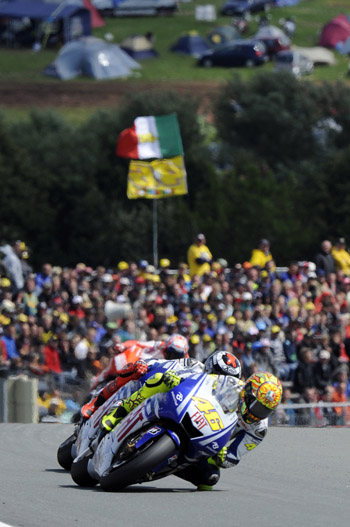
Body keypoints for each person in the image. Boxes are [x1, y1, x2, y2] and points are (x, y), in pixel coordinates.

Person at [99, 370, 282, 491]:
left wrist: (224, 457)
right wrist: (180, 380)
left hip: (209, 445)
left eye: (264, 410)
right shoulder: (230, 383)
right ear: (247, 393)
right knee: (162, 381)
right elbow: (202, 381)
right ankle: (119, 413)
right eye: (257, 406)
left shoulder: (258, 429)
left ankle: (161, 468)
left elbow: (237, 453)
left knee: (210, 479)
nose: (258, 413)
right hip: (197, 414)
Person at [82, 350, 242, 419]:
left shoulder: (223, 402)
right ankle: (98, 403)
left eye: (225, 378)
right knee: (136, 370)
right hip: (165, 391)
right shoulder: (194, 365)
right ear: (209, 366)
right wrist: (147, 364)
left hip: (187, 413)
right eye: (217, 374)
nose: (219, 380)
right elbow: (166, 363)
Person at [90, 333, 189, 390]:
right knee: (126, 357)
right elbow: (137, 343)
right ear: (167, 347)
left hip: (148, 382)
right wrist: (124, 345)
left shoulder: (185, 363)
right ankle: (97, 381)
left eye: (177, 355)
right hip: (136, 368)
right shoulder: (159, 345)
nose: (172, 356)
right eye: (170, 352)